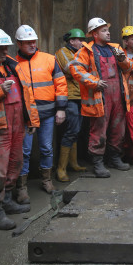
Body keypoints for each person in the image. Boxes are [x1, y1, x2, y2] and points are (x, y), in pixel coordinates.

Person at [0, 27, 39, 230]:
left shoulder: (12, 65)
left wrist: (32, 120)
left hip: (16, 123)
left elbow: (27, 94)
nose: (4, 52)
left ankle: (7, 200)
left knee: (15, 164)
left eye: (6, 48)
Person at [70, 17, 133, 178]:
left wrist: (122, 59)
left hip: (118, 96)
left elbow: (129, 67)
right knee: (98, 131)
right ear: (94, 34)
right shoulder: (86, 51)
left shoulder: (115, 49)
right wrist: (94, 82)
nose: (108, 33)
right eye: (104, 30)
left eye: (108, 30)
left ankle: (114, 158)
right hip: (101, 98)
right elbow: (75, 69)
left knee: (118, 129)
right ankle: (98, 163)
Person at [15, 25, 67, 201]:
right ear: (19, 43)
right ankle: (21, 187)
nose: (31, 45)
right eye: (27, 42)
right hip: (26, 116)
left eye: (33, 42)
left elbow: (61, 85)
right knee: (25, 150)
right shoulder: (12, 63)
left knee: (46, 147)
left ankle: (47, 180)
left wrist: (61, 109)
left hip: (48, 114)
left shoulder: (49, 59)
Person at [54, 28, 87, 182]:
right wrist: (84, 66)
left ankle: (73, 163)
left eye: (82, 40)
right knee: (70, 130)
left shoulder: (80, 52)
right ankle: (61, 168)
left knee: (76, 130)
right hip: (69, 97)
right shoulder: (62, 52)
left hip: (80, 96)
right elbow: (71, 69)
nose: (81, 42)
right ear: (71, 41)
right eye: (79, 40)